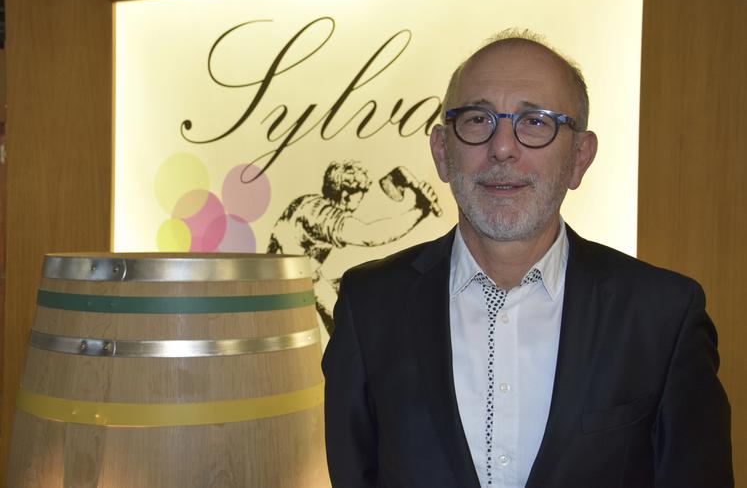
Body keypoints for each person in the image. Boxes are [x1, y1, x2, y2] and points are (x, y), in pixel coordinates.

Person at [322, 30, 733, 488]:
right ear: (441, 152)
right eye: (477, 119)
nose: (502, 147)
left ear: (579, 158)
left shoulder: (663, 315)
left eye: (536, 122)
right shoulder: (368, 305)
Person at [267, 160, 439, 333]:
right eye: (360, 196)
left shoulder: (312, 204)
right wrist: (420, 210)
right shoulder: (322, 216)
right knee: (349, 323)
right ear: (345, 196)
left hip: (303, 278)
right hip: (286, 290)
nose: (356, 207)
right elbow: (370, 235)